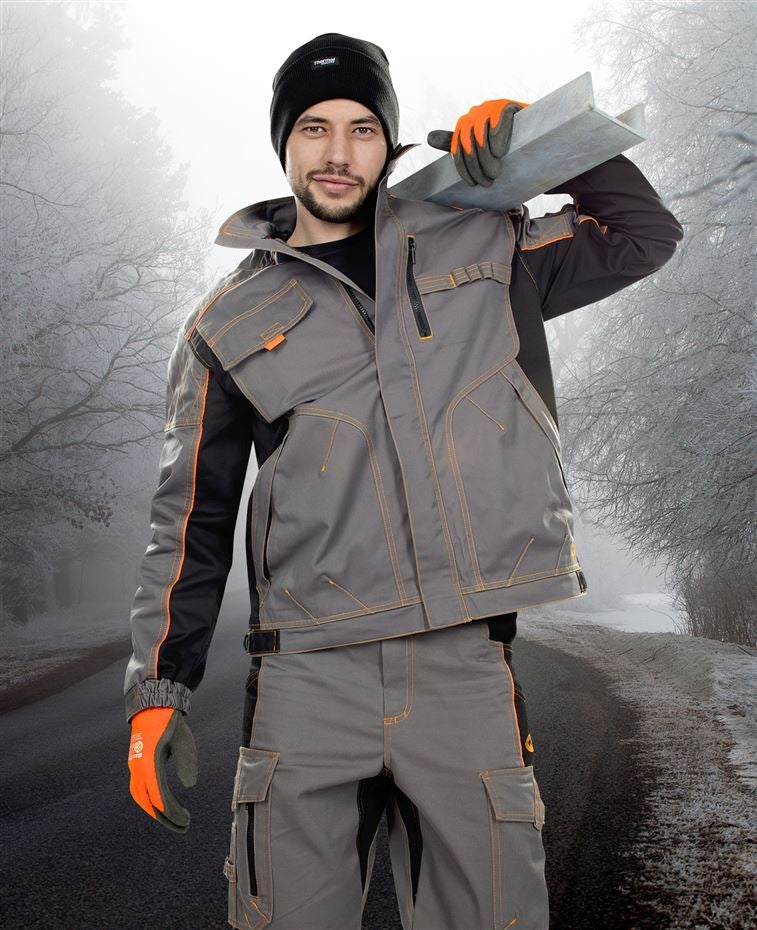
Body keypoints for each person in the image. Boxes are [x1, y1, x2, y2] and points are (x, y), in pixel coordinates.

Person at [124, 33, 683, 930]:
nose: (337, 152)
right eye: (313, 128)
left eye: (361, 129)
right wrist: (159, 691)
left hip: (463, 663)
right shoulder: (225, 323)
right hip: (306, 679)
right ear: (283, 142)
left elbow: (643, 237)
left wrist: (544, 139)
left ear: (387, 142)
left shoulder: (484, 242)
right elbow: (189, 519)